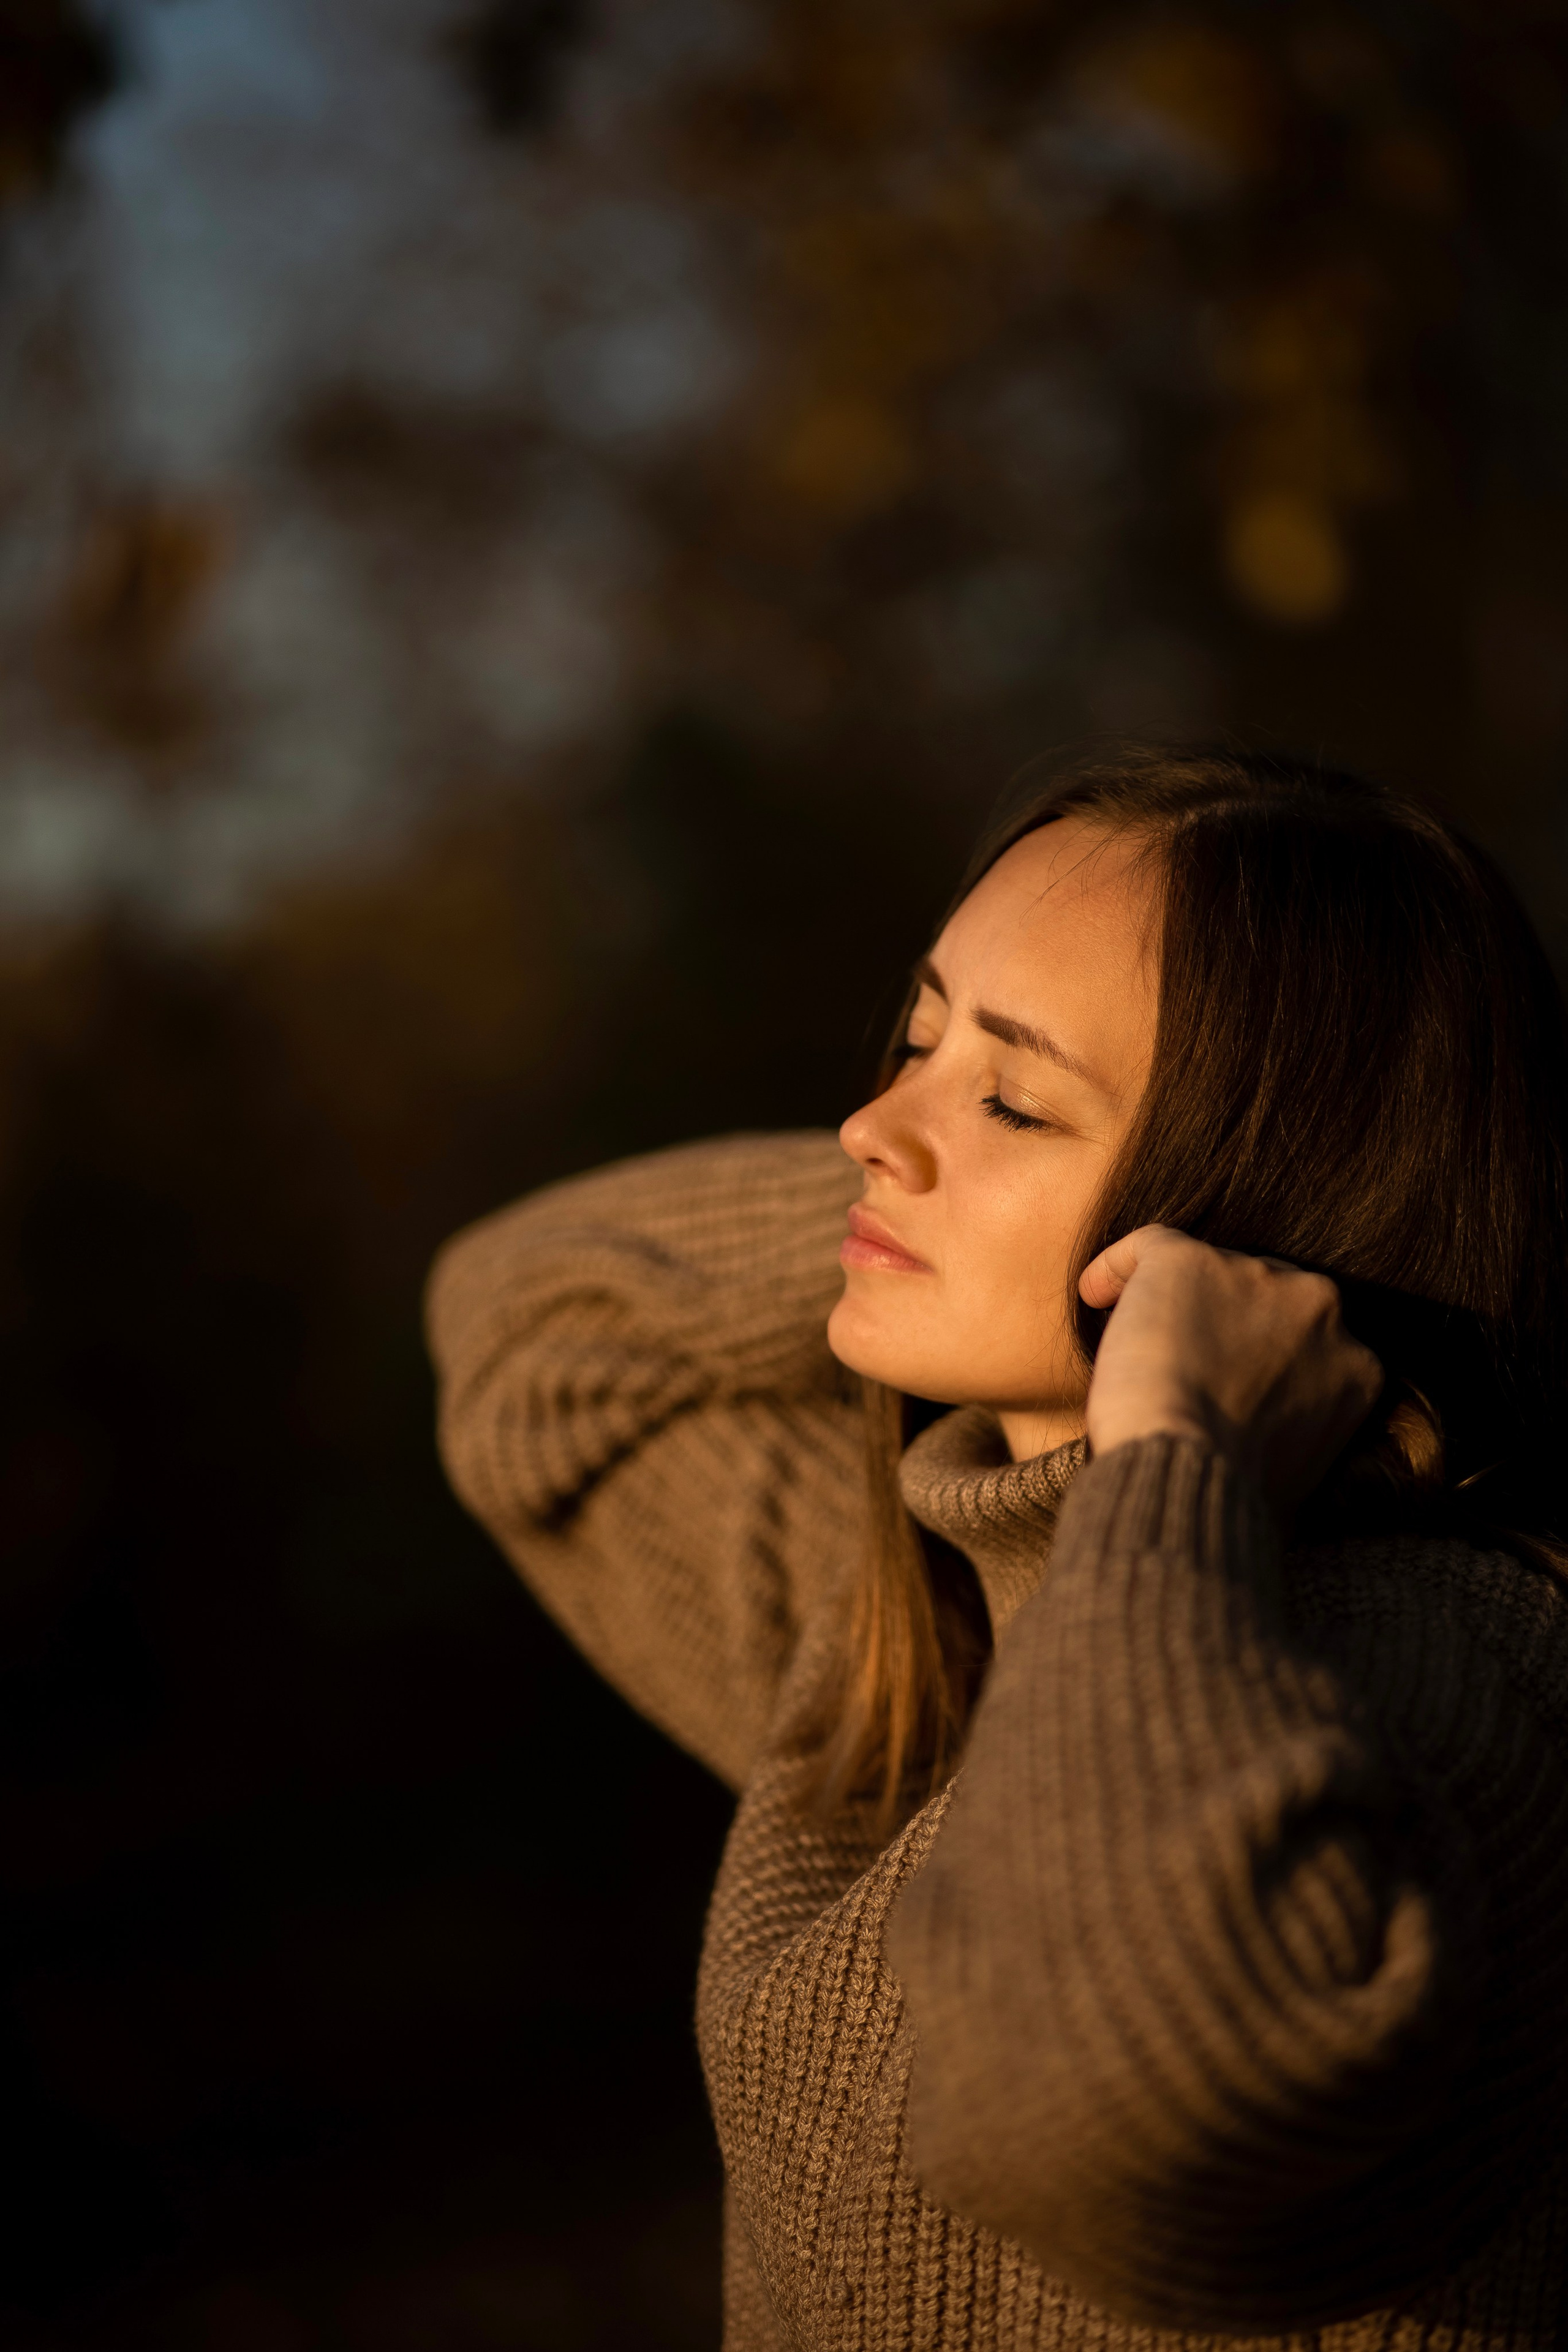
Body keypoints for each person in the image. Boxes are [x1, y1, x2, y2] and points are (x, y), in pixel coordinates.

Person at [425, 747, 1568, 2350]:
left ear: (1267, 1217)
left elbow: (1099, 2112)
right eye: (915, 1033)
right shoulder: (916, 1609)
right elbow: (526, 1327)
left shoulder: (1457, 1688)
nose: (866, 1123)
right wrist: (900, 1216)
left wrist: (1171, 1450)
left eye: (1014, 1096)